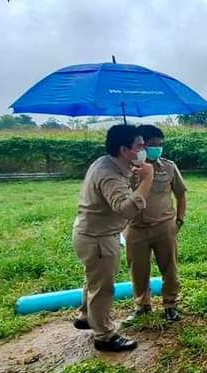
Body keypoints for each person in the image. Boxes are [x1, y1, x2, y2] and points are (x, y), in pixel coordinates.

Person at [71, 124, 153, 352]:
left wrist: (135, 175)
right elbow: (126, 208)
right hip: (98, 238)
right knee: (103, 287)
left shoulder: (109, 164)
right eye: (139, 146)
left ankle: (86, 316)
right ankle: (105, 336)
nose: (144, 149)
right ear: (124, 149)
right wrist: (147, 179)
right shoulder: (108, 173)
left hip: (90, 233)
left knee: (94, 279)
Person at [124, 125, 187, 324]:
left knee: (170, 269)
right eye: (152, 144)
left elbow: (181, 194)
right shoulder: (126, 169)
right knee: (138, 270)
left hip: (164, 226)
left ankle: (170, 305)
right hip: (135, 228)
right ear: (141, 146)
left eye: (160, 145)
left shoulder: (169, 167)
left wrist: (179, 221)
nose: (157, 148)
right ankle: (142, 306)